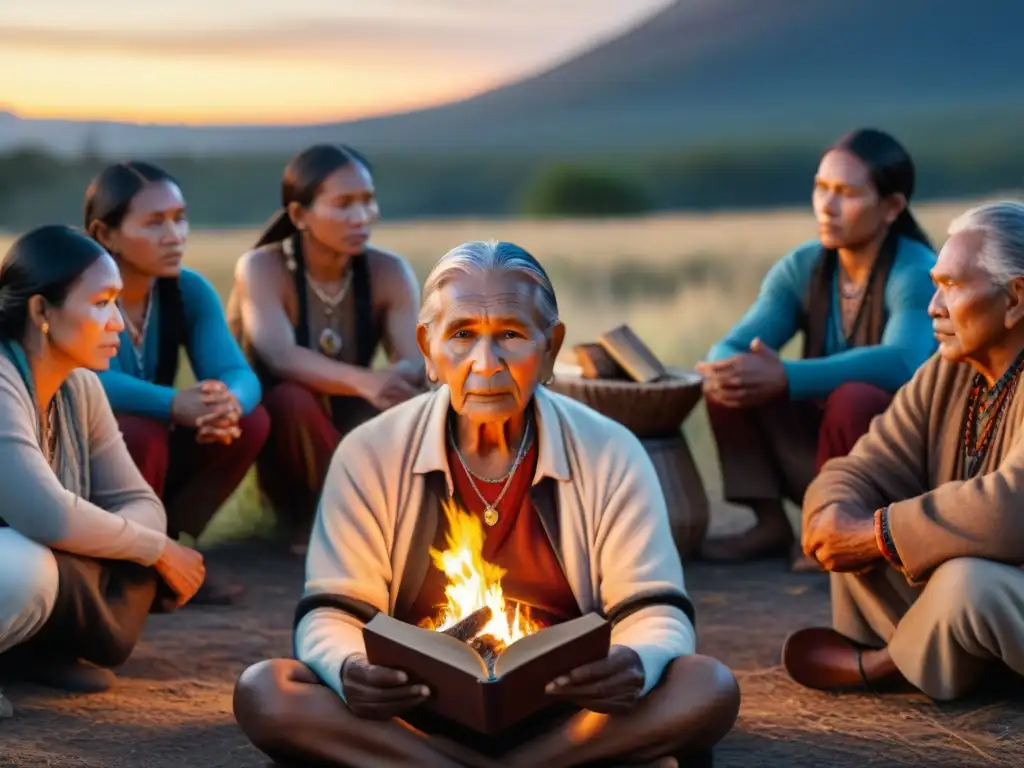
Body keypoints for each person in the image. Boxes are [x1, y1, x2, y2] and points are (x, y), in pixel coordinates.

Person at [231, 240, 740, 767]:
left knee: (707, 685)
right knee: (267, 692)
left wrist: (637, 660)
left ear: (550, 348)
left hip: (569, 710)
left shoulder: (610, 450)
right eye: (462, 335)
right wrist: (350, 669)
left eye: (511, 337)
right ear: (427, 349)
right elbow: (332, 611)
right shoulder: (369, 452)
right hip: (415, 711)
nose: (485, 363)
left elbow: (654, 607)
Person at [782, 201, 1024, 700]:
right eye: (934, 284)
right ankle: (953, 655)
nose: (933, 306)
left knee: (965, 583)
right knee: (856, 538)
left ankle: (887, 663)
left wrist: (880, 534)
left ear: (1016, 298)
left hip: (995, 592)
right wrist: (832, 514)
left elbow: (1012, 508)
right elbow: (864, 463)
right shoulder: (948, 367)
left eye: (952, 287)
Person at [696, 128, 938, 571]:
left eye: (846, 193)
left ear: (892, 207)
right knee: (732, 384)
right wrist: (728, 366)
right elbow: (729, 343)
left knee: (856, 397)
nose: (827, 206)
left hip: (894, 461)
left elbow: (901, 362)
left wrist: (787, 377)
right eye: (821, 188)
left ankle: (841, 527)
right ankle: (771, 524)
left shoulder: (917, 270)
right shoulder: (804, 266)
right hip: (817, 449)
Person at [0, 226, 205, 718]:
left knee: (121, 559)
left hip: (36, 553)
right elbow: (46, 514)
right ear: (42, 312)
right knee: (28, 565)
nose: (117, 322)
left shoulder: (81, 387)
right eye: (101, 303)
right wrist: (157, 548)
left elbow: (141, 503)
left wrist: (135, 543)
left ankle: (33, 654)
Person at [85, 161, 269, 605]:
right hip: (77, 464)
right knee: (140, 433)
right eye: (154, 223)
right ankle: (122, 571)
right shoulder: (79, 289)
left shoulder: (187, 290)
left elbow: (239, 375)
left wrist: (226, 404)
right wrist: (173, 404)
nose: (175, 234)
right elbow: (85, 382)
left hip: (148, 452)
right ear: (104, 234)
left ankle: (172, 550)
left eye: (179, 217)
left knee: (251, 422)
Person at [226, 143, 425, 555]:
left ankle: (394, 521)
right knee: (292, 399)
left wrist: (394, 381)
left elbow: (415, 362)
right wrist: (366, 381)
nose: (362, 216)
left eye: (368, 201)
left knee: (406, 402)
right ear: (299, 215)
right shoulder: (262, 267)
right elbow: (279, 355)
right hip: (286, 435)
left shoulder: (388, 271)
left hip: (350, 418)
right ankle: (316, 522)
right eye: (344, 204)